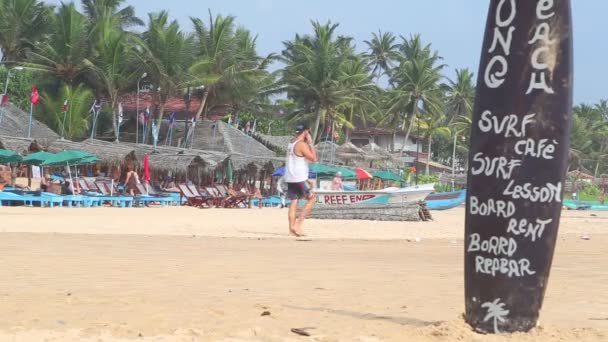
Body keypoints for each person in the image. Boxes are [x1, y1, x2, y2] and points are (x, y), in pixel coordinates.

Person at [285, 124, 317, 237]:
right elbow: (314, 158)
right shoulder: (301, 145)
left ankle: (291, 230)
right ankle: (298, 225)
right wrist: (310, 142)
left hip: (290, 176)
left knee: (294, 202)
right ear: (306, 132)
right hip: (299, 177)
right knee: (312, 199)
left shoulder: (291, 142)